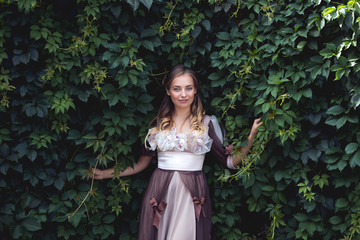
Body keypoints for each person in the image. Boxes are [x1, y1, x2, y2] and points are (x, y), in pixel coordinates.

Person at [90, 64, 262, 240]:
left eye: (189, 88)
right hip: (162, 190)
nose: (183, 94)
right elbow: (142, 164)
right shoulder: (158, 124)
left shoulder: (206, 123)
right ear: (168, 91)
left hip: (192, 191)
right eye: (177, 89)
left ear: (195, 90)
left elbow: (230, 162)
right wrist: (105, 173)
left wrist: (251, 136)